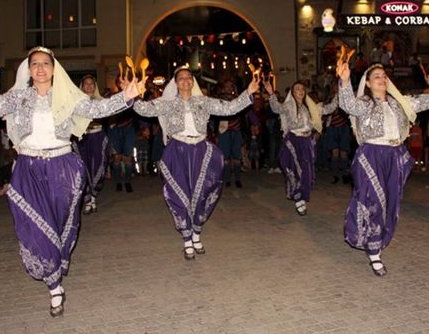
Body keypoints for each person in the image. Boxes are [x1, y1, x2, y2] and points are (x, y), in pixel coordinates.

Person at [0, 46, 143, 317]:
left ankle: (58, 259)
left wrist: (128, 96)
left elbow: (98, 107)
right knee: (34, 225)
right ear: (28, 69)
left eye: (45, 63)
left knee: (63, 222)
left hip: (63, 167)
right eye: (35, 64)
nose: (40, 68)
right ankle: (53, 285)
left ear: (54, 68)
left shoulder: (69, 97)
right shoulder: (18, 97)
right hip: (28, 168)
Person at [337, 61, 429, 277]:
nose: (382, 78)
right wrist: (345, 80)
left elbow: (428, 100)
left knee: (390, 201)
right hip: (371, 155)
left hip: (394, 156)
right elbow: (348, 105)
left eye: (384, 75)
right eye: (376, 76)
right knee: (373, 200)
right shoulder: (364, 103)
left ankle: (377, 237)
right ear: (368, 82)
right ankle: (374, 250)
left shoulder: (399, 103)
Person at [132, 66, 258, 260]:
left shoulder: (203, 102)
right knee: (180, 195)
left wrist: (248, 92)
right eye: (181, 78)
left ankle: (197, 233)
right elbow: (144, 109)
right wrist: (131, 94)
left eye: (189, 77)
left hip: (200, 150)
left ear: (193, 82)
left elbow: (229, 108)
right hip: (178, 151)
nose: (185, 81)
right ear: (175, 83)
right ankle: (187, 239)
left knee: (201, 194)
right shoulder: (167, 104)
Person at [263, 79, 338, 216]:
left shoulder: (311, 107)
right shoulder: (288, 106)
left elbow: (328, 109)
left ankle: (303, 195)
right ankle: (298, 198)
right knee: (295, 170)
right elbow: (276, 108)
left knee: (307, 172)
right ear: (292, 92)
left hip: (307, 142)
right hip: (293, 140)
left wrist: (339, 94)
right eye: (297, 89)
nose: (300, 91)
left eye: (302, 89)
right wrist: (271, 93)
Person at [74, 74, 109, 214]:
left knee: (98, 168)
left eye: (91, 84)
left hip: (97, 137)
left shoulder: (101, 102)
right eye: (86, 84)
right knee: (83, 169)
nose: (89, 86)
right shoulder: (76, 103)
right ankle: (89, 200)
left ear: (95, 86)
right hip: (81, 139)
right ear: (82, 86)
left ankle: (92, 195)